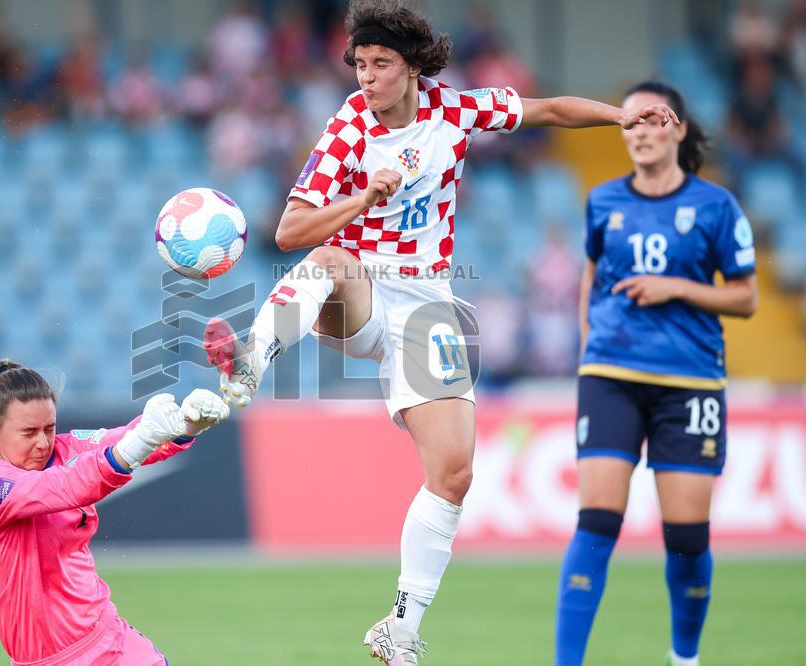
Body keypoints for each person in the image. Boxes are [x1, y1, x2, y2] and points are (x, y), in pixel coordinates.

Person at [200, 1, 679, 663]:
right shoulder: (348, 129)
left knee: (454, 473)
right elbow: (289, 232)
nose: (366, 77)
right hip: (360, 294)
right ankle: (250, 361)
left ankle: (400, 627)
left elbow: (549, 110)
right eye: (359, 64)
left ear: (414, 66)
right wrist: (364, 198)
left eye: (380, 64)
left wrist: (619, 114)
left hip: (427, 306)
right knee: (328, 259)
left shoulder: (456, 110)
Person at [554, 81, 758, 666]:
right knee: (595, 521)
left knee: (687, 538)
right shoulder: (603, 200)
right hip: (610, 375)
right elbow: (591, 273)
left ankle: (684, 657)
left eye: (652, 119)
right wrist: (588, 342)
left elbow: (745, 298)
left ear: (679, 129)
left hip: (689, 382)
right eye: (630, 122)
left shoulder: (717, 207)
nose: (639, 131)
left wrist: (677, 288)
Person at [0, 359, 229, 665]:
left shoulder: (65, 449)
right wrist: (138, 443)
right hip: (52, 660)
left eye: (49, 428)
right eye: (28, 432)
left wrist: (186, 423)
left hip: (110, 637)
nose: (42, 443)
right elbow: (60, 486)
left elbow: (124, 439)